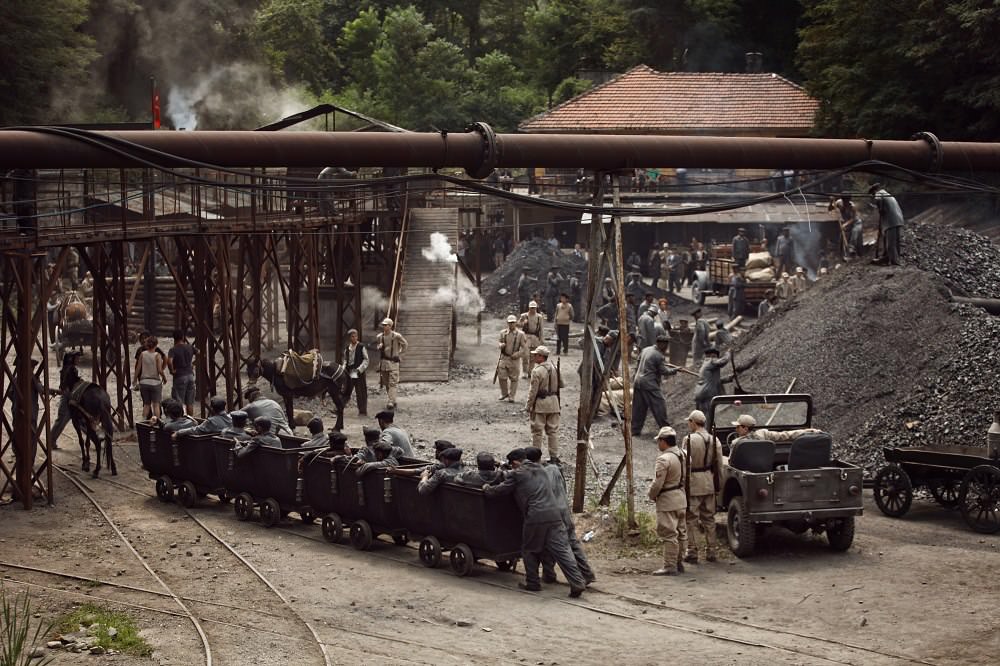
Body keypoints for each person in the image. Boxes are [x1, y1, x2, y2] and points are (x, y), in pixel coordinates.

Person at [483, 448, 586, 597]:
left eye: (512, 464)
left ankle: (533, 583)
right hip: (555, 515)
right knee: (562, 550)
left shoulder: (517, 473)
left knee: (529, 549)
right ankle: (577, 582)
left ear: (516, 462)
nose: (512, 467)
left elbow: (500, 490)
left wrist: (487, 488)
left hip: (536, 516)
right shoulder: (542, 468)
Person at [526, 448, 596, 586]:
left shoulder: (535, 475)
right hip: (564, 510)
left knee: (552, 545)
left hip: (552, 513)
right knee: (572, 543)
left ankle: (550, 574)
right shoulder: (553, 468)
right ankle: (587, 574)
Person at [681, 411, 723, 564]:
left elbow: (685, 464)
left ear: (693, 422)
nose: (688, 424)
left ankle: (692, 551)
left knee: (691, 518)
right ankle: (711, 551)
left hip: (694, 483)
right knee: (709, 518)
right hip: (709, 481)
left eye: (689, 421)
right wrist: (719, 485)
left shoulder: (689, 439)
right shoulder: (714, 439)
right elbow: (719, 465)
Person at [647, 426, 688, 576]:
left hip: (667, 499)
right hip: (681, 498)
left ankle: (670, 565)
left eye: (659, 441)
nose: (658, 444)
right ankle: (679, 561)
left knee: (669, 533)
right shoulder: (683, 455)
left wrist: (651, 495)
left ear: (664, 442)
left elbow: (658, 483)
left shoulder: (664, 459)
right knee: (681, 532)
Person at [631, 335, 677, 437]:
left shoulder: (646, 349)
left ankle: (634, 430)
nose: (666, 348)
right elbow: (664, 371)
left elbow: (638, 363)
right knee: (659, 405)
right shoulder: (658, 355)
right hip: (649, 384)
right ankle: (666, 430)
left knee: (639, 408)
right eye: (666, 345)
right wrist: (675, 370)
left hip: (638, 382)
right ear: (662, 344)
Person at [526, 345, 562, 463]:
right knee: (553, 432)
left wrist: (528, 405)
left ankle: (535, 458)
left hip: (541, 405)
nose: (534, 356)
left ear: (541, 356)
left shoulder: (537, 371)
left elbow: (533, 392)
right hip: (554, 403)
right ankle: (554, 457)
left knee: (537, 432)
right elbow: (561, 385)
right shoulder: (555, 368)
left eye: (536, 355)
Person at [49, 350, 84, 448]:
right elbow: (67, 387)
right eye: (76, 358)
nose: (78, 360)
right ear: (71, 359)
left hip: (69, 396)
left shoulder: (68, 369)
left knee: (79, 419)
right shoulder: (70, 370)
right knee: (62, 419)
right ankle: (50, 441)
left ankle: (95, 437)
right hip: (67, 397)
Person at [730, 414, 821, 449]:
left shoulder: (736, 443)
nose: (736, 429)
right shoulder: (764, 434)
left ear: (745, 428)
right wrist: (807, 431)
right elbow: (786, 435)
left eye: (738, 427)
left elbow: (732, 463)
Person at [376, 317, 407, 410]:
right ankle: (393, 399)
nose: (384, 326)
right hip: (384, 363)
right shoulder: (379, 337)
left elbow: (405, 344)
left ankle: (390, 401)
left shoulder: (396, 336)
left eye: (386, 325)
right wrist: (379, 346)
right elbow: (378, 347)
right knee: (386, 383)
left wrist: (400, 354)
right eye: (383, 325)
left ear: (390, 326)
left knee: (393, 383)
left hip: (393, 362)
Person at [869, 183, 905, 265]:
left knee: (890, 243)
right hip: (898, 219)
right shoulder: (887, 194)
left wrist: (879, 210)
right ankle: (888, 257)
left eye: (872, 194)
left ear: (874, 191)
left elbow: (880, 207)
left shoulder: (878, 194)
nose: (873, 196)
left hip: (891, 221)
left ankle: (894, 261)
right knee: (895, 241)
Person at [135, 335, 167, 420]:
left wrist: (134, 380)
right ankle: (157, 422)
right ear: (156, 345)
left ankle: (143, 422)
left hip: (144, 382)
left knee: (146, 404)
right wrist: (164, 377)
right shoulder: (157, 355)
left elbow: (138, 368)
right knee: (156, 405)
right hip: (155, 383)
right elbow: (160, 370)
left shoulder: (142, 354)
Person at [498, 314, 527, 402]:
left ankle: (512, 396)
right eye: (510, 323)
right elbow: (499, 341)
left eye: (513, 323)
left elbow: (524, 348)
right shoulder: (503, 333)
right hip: (504, 357)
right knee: (501, 376)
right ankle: (504, 393)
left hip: (514, 359)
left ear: (516, 323)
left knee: (514, 378)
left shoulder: (521, 334)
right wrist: (500, 345)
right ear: (507, 323)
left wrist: (518, 354)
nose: (511, 324)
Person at [167, 329, 195, 416]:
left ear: (174, 338)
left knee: (178, 402)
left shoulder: (173, 350)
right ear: (183, 337)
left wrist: (172, 370)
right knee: (189, 403)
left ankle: (179, 421)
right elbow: (201, 354)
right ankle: (191, 420)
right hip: (190, 375)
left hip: (179, 376)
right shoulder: (190, 347)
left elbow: (169, 361)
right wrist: (193, 364)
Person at [342, 328, 369, 416]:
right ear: (349, 338)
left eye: (355, 336)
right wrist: (343, 368)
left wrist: (359, 369)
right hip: (350, 371)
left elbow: (366, 360)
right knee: (346, 390)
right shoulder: (347, 348)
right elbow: (345, 360)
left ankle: (362, 411)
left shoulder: (361, 347)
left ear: (357, 337)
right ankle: (339, 408)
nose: (354, 338)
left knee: (360, 391)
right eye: (352, 336)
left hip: (358, 372)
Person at [519, 301, 545, 379]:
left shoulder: (539, 317)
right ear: (529, 308)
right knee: (525, 355)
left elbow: (541, 328)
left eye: (534, 308)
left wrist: (541, 338)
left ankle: (531, 371)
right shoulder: (524, 316)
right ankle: (525, 372)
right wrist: (523, 322)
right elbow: (517, 324)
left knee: (533, 356)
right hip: (526, 336)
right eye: (531, 308)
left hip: (535, 337)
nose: (532, 309)